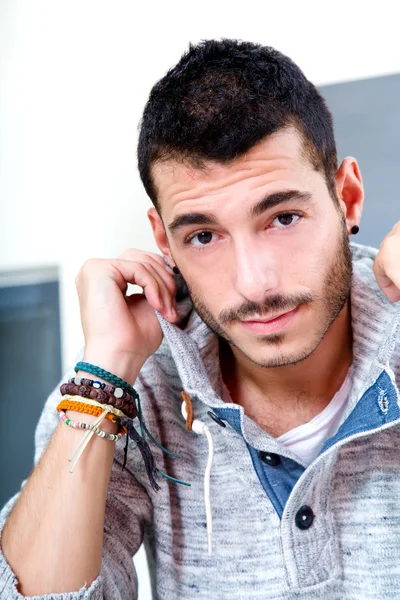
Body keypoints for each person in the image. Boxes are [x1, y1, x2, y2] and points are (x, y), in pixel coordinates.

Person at [1, 38, 400, 600]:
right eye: (204, 236)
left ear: (347, 197)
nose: (255, 284)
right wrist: (106, 369)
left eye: (284, 217)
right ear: (164, 240)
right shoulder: (130, 390)